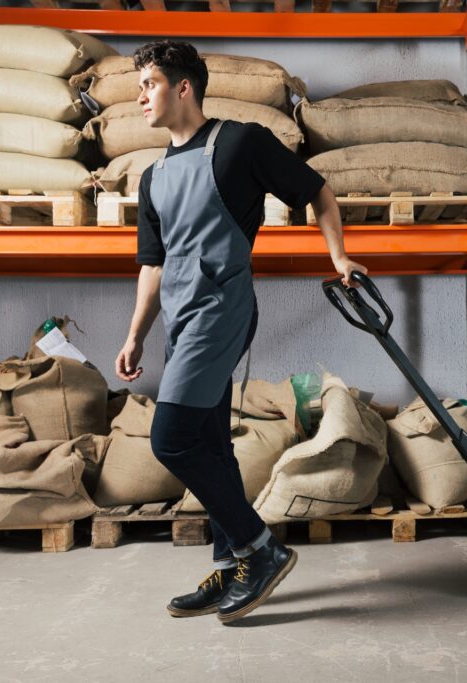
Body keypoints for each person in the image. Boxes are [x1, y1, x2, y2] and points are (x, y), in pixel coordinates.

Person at [114, 40, 367, 625]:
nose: (140, 96)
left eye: (148, 84)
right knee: (207, 444)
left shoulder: (240, 142)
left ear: (183, 88)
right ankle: (233, 567)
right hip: (181, 318)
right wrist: (136, 336)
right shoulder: (152, 179)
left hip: (222, 308)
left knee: (171, 440)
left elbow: (316, 191)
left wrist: (339, 258)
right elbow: (152, 265)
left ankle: (261, 549)